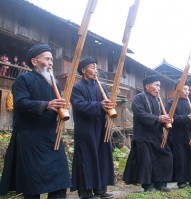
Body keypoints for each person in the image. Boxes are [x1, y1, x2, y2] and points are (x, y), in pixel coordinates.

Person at [0, 44, 71, 198]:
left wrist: (62, 109)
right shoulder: (23, 79)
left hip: (52, 137)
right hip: (31, 138)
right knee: (32, 185)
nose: (51, 62)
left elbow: (56, 107)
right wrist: (47, 104)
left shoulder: (55, 83)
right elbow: (20, 103)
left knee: (60, 181)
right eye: (47, 59)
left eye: (52, 59)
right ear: (34, 61)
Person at [70, 56, 114, 199]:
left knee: (101, 157)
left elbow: (107, 104)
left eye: (96, 67)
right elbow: (79, 105)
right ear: (83, 70)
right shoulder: (77, 88)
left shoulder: (101, 88)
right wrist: (99, 105)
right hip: (85, 129)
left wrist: (108, 107)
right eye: (92, 67)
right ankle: (86, 192)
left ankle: (100, 190)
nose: (96, 70)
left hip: (101, 127)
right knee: (86, 159)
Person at [123, 75, 173, 192]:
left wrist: (167, 120)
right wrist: (158, 119)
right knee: (146, 160)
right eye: (156, 85)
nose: (159, 88)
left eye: (159, 85)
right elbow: (140, 114)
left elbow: (161, 118)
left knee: (166, 156)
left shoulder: (158, 100)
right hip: (142, 135)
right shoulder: (138, 98)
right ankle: (148, 185)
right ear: (147, 86)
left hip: (157, 135)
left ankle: (160, 183)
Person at [166, 82, 191, 188]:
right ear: (178, 90)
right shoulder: (171, 103)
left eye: (188, 89)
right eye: (184, 89)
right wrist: (187, 118)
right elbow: (171, 118)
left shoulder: (189, 102)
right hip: (179, 134)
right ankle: (182, 181)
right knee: (181, 157)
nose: (187, 92)